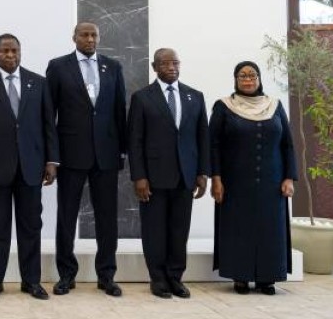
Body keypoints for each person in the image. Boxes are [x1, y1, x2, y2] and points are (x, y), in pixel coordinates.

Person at [0, 33, 58, 301]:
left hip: (32, 168)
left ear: (20, 52)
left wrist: (52, 161)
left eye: (14, 50)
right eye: (4, 51)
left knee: (31, 227)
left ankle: (31, 281)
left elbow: (48, 125)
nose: (10, 55)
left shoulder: (38, 83)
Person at [45, 22, 128, 297]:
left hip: (106, 154)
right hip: (70, 154)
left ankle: (107, 275)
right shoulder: (58, 67)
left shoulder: (112, 67)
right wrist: (52, 156)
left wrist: (122, 150)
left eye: (94, 35)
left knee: (107, 218)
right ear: (74, 38)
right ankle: (66, 275)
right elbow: (49, 114)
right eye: (85, 35)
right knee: (66, 217)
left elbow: (119, 110)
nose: (90, 39)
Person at [128, 48, 210, 299]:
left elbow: (202, 138)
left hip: (185, 176)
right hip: (153, 178)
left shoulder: (195, 96)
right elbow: (135, 141)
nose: (171, 67)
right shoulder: (142, 98)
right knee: (154, 231)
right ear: (154, 67)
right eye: (165, 63)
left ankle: (175, 278)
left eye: (175, 62)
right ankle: (158, 279)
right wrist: (139, 176)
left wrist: (202, 172)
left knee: (179, 231)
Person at [210, 61, 297, 295]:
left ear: (259, 79)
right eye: (243, 76)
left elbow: (287, 144)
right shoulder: (224, 107)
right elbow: (213, 145)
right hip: (235, 182)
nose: (248, 80)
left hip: (272, 182)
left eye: (252, 75)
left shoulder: (274, 105)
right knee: (238, 228)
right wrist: (216, 178)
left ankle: (267, 278)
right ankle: (240, 276)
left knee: (270, 229)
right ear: (235, 80)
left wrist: (289, 177)